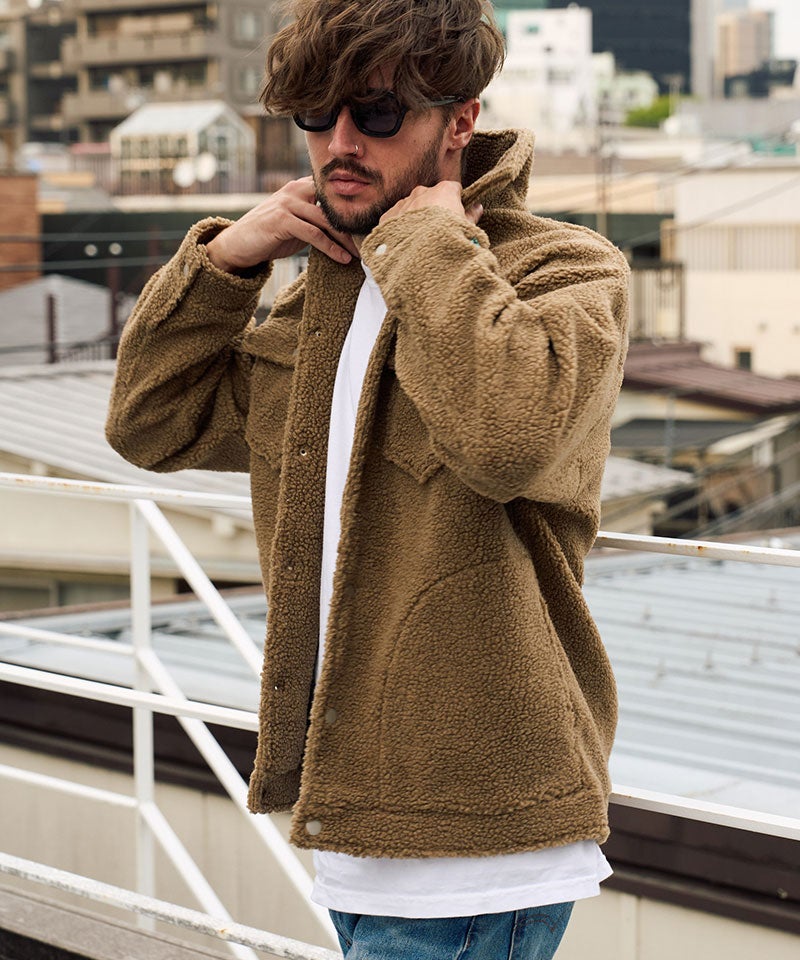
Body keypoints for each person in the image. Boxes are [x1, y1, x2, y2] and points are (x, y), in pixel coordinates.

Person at [106, 1, 630, 956]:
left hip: (477, 843)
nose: (339, 143)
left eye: (378, 113)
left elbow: (505, 436)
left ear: (459, 121)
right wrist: (226, 259)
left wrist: (428, 244)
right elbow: (150, 421)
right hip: (354, 825)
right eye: (316, 114)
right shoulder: (320, 300)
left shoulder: (562, 270)